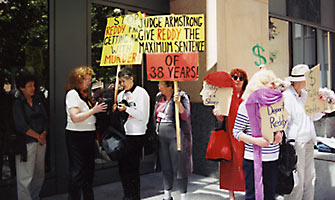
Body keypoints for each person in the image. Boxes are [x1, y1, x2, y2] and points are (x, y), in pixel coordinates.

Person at [233, 69, 283, 200]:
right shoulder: (246, 105)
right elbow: (237, 132)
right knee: (253, 196)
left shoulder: (275, 103)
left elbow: (280, 125)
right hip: (252, 159)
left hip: (272, 157)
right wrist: (256, 141)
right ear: (260, 85)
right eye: (271, 84)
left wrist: (279, 132)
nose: (275, 86)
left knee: (270, 195)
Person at [65, 66, 107, 200]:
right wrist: (94, 111)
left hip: (88, 134)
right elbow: (75, 117)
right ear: (78, 80)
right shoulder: (72, 94)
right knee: (77, 172)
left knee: (88, 171)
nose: (89, 83)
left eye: (90, 80)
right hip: (77, 135)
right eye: (87, 80)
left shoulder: (84, 95)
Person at [283, 64, 325, 200]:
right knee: (298, 180)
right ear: (299, 81)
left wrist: (321, 107)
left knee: (310, 177)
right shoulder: (287, 96)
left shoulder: (306, 95)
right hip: (296, 142)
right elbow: (285, 120)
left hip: (308, 140)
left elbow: (313, 116)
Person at [153, 81, 192, 200]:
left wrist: (178, 103)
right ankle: (167, 194)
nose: (159, 87)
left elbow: (185, 115)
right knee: (165, 165)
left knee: (179, 166)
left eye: (162, 85)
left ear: (170, 86)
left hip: (176, 136)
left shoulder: (182, 95)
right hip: (162, 136)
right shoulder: (159, 97)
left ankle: (183, 195)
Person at [12, 71, 48, 200]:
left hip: (40, 142)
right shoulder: (18, 104)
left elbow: (45, 118)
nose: (33, 88)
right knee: (25, 177)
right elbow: (21, 126)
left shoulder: (38, 100)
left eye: (33, 85)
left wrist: (43, 134)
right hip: (26, 144)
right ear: (22, 88)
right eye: (29, 86)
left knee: (39, 174)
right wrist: (38, 136)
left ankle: (35, 196)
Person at [115, 69, 150, 200]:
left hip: (137, 133)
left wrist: (127, 109)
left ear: (131, 79)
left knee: (132, 167)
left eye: (123, 81)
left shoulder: (141, 93)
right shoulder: (120, 95)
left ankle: (134, 196)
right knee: (123, 167)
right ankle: (126, 193)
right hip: (124, 134)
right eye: (120, 82)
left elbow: (142, 115)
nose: (122, 85)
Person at [218, 69, 248, 200]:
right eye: (235, 77)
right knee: (230, 164)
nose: (237, 80)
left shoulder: (247, 96)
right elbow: (221, 118)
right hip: (229, 134)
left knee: (246, 163)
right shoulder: (226, 96)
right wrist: (217, 113)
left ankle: (248, 190)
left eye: (240, 78)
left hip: (245, 134)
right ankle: (231, 194)